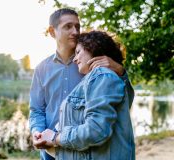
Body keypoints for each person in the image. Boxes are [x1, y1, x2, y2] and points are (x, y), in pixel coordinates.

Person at [29, 8, 125, 160]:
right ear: (52, 31)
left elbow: (120, 97)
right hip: (49, 149)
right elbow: (36, 109)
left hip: (81, 150)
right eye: (68, 26)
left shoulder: (92, 64)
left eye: (77, 26)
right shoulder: (41, 68)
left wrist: (120, 70)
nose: (75, 31)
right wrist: (37, 131)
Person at [41, 30, 135, 160]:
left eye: (78, 52)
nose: (74, 59)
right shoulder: (94, 79)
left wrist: (55, 138)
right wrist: (50, 140)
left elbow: (96, 130)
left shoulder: (102, 76)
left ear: (93, 47)